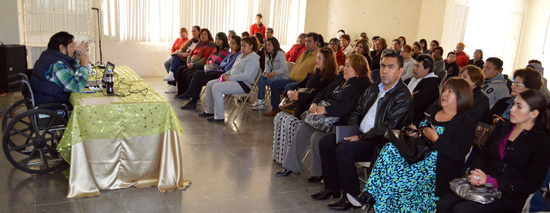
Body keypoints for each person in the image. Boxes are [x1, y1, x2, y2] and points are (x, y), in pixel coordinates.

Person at [312, 52, 414, 211]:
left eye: (391, 67)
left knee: (344, 150)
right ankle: (332, 188)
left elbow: (388, 127)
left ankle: (350, 196)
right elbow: (357, 111)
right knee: (326, 141)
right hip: (360, 134)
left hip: (380, 142)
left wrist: (360, 137)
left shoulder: (403, 96)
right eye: (383, 66)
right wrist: (352, 130)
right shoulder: (374, 88)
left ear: (401, 71)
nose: (385, 71)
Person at [357, 77, 477, 212]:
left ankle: (373, 198)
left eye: (450, 92)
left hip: (436, 166)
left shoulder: (465, 122)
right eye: (444, 90)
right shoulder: (433, 110)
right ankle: (370, 194)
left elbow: (458, 153)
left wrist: (436, 139)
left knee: (394, 180)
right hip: (416, 155)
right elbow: (420, 136)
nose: (444, 94)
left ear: (462, 96)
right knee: (389, 148)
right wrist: (415, 132)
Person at [438, 89, 550, 213]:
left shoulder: (542, 141)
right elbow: (483, 155)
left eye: (519, 106)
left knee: (463, 210)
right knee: (444, 203)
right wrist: (477, 173)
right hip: (482, 185)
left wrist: (493, 181)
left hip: (508, 195)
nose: (511, 109)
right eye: (513, 104)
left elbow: (531, 182)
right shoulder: (504, 127)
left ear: (533, 113)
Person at [275, 52, 370, 181]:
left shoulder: (362, 86)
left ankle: (318, 172)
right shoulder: (340, 79)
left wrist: (324, 109)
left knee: (317, 137)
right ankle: (291, 166)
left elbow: (347, 108)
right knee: (303, 129)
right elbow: (322, 93)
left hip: (341, 122)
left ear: (358, 70)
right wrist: (314, 103)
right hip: (324, 118)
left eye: (348, 66)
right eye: (345, 65)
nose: (344, 68)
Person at [272, 47, 339, 164]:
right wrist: (290, 91)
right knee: (279, 117)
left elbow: (319, 97)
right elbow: (300, 84)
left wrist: (299, 97)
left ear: (327, 61)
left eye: (319, 58)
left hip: (309, 111)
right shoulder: (315, 73)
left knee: (289, 122)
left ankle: (288, 160)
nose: (316, 60)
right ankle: (279, 156)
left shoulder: (331, 79)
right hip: (301, 106)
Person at [199, 36, 260, 122]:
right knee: (209, 84)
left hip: (244, 84)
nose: (242, 48)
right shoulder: (241, 56)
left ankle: (219, 116)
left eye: (244, 46)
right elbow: (233, 69)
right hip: (234, 80)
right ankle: (209, 111)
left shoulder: (253, 58)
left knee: (216, 87)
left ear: (251, 46)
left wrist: (229, 78)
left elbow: (246, 76)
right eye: (241, 46)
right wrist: (225, 74)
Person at [265, 33, 320, 116]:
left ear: (316, 43)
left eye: (309, 41)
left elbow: (314, 73)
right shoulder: (304, 52)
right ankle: (276, 109)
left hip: (302, 83)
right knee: (274, 84)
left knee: (289, 87)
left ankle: (287, 111)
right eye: (305, 41)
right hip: (291, 79)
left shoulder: (318, 55)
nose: (306, 43)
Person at [31, 31, 89, 110]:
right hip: (53, 107)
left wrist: (78, 59)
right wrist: (84, 66)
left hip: (47, 100)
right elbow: (76, 87)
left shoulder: (50, 57)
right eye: (72, 46)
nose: (75, 49)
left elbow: (70, 73)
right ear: (62, 48)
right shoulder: (56, 64)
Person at [178, 32, 230, 109]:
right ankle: (192, 101)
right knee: (193, 75)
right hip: (209, 70)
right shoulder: (215, 49)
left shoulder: (225, 51)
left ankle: (189, 95)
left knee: (197, 74)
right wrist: (211, 61)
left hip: (216, 73)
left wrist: (211, 61)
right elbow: (208, 59)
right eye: (216, 39)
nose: (217, 41)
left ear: (224, 40)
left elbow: (216, 62)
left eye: (219, 39)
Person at [174, 29, 216, 97]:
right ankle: (181, 93)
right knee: (180, 69)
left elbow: (205, 59)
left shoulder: (210, 45)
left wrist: (194, 65)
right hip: (191, 64)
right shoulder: (199, 43)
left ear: (209, 36)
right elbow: (190, 54)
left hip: (200, 66)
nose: (203, 36)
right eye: (201, 34)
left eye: (205, 34)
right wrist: (188, 62)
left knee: (186, 72)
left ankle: (190, 94)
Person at [251, 37, 289, 110]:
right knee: (261, 77)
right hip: (273, 76)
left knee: (263, 81)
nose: (267, 47)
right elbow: (266, 67)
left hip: (282, 76)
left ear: (274, 46)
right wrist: (266, 73)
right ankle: (261, 100)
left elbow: (283, 68)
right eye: (266, 45)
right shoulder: (267, 55)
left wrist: (273, 73)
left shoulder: (280, 54)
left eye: (269, 45)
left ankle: (261, 101)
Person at [404, 54, 441, 121]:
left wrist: (405, 96)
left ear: (427, 69)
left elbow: (417, 104)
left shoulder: (431, 86)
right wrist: (410, 96)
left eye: (417, 66)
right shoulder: (409, 80)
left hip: (415, 120)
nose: (414, 68)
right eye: (414, 65)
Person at [164, 25, 200, 93]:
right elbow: (182, 49)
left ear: (199, 31)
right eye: (192, 31)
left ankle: (172, 78)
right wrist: (177, 52)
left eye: (194, 31)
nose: (193, 33)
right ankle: (172, 81)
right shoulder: (191, 41)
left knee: (175, 60)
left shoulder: (200, 42)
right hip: (184, 57)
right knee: (172, 59)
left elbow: (194, 54)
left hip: (191, 60)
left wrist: (182, 54)